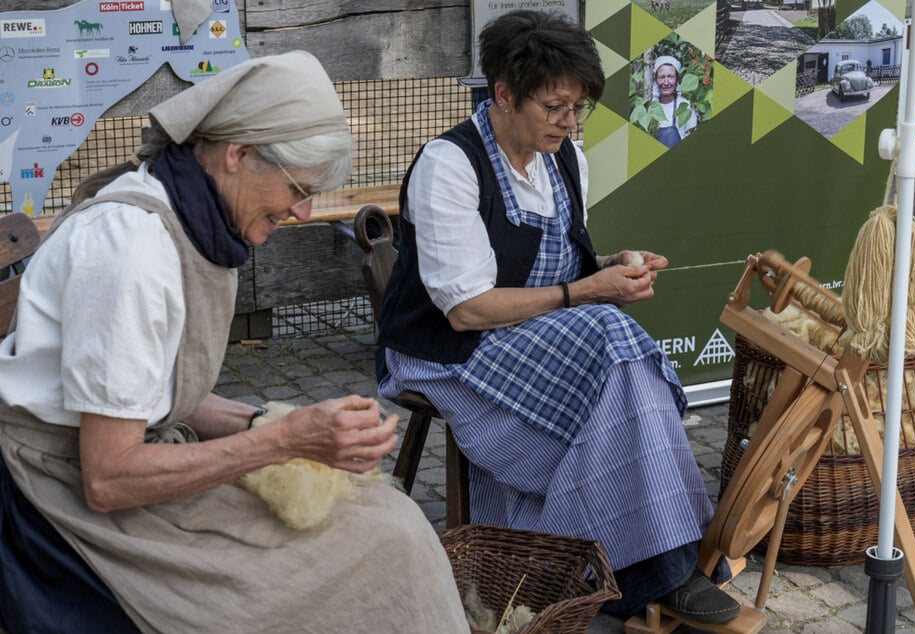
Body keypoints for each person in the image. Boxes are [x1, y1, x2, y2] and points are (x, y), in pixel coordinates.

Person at [0, 51, 469, 634]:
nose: (302, 211)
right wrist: (281, 442)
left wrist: (269, 421)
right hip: (62, 495)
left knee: (389, 521)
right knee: (379, 547)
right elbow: (108, 476)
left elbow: (150, 391)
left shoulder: (193, 222)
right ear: (238, 154)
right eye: (298, 187)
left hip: (126, 461)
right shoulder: (132, 252)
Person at [376, 9, 740, 626]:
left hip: (528, 333)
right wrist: (587, 292)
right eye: (554, 107)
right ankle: (657, 568)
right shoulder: (451, 166)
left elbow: (558, 263)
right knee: (613, 341)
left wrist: (609, 267)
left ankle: (625, 563)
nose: (569, 123)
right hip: (448, 351)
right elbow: (466, 309)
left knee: (616, 357)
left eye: (578, 109)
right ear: (504, 94)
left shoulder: (563, 158)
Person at [653, 55, 698, 148]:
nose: (666, 83)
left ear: (677, 79)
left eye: (670, 77)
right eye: (661, 77)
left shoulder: (686, 106)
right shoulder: (650, 105)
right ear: (656, 80)